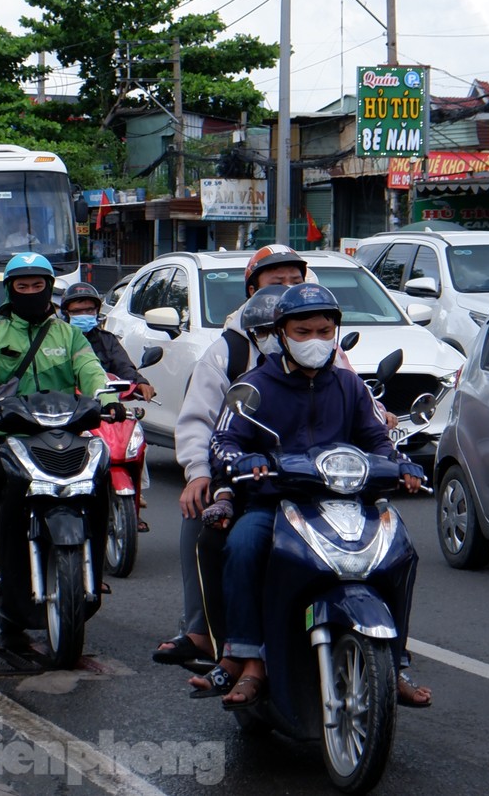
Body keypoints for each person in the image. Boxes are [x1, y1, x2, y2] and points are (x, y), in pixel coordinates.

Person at [205, 283, 425, 709]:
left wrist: (404, 466)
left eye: (324, 331)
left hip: (345, 502)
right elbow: (222, 442)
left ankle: (395, 661)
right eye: (303, 331)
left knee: (403, 550)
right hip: (275, 500)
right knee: (244, 544)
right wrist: (245, 462)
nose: (315, 340)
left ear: (336, 332)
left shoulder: (350, 386)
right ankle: (248, 659)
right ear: (281, 333)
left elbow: (378, 440)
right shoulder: (254, 385)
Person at [157, 246, 307, 670]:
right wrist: (198, 473)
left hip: (313, 474)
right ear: (253, 289)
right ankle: (201, 631)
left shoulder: (319, 340)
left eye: (297, 282)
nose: (287, 290)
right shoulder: (228, 351)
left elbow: (352, 395)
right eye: (276, 282)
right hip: (244, 475)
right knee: (202, 516)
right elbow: (197, 422)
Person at [0, 253, 116, 600]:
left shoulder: (69, 334)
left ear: (49, 288)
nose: (31, 291)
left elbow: (91, 370)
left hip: (61, 431)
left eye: (37, 285)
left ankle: (95, 567)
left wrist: (108, 401)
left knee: (100, 479)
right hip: (5, 432)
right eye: (22, 286)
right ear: (10, 290)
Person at [60, 283, 156, 402]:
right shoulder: (56, 339)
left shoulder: (106, 340)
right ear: (66, 313)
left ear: (97, 311)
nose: (84, 315)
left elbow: (123, 366)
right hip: (63, 404)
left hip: (102, 403)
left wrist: (140, 382)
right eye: (77, 311)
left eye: (89, 310)